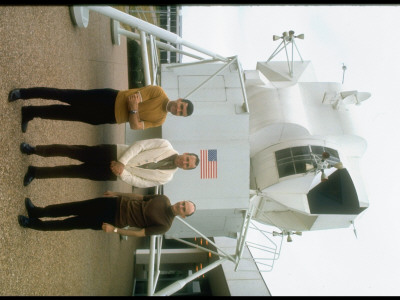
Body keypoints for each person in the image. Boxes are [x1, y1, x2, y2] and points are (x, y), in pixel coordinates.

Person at [21, 138, 199, 187]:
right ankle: (34, 149)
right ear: (185, 154)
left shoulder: (167, 178)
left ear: (185, 169)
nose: (184, 162)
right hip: (113, 153)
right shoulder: (165, 145)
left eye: (187, 165)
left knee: (71, 171)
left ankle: (35, 172)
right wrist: (121, 162)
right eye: (187, 159)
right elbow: (140, 146)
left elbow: (142, 182)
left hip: (113, 174)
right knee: (72, 151)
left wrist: (122, 173)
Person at [8, 86, 194, 133]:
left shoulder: (161, 120)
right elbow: (132, 100)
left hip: (108, 117)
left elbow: (135, 127)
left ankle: (30, 113)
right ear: (179, 99)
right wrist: (134, 113)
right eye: (181, 106)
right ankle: (23, 93)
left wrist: (134, 111)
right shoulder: (158, 92)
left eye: (180, 112)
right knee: (62, 95)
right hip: (108, 98)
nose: (178, 109)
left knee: (64, 114)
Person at [17, 191, 196, 236]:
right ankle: (36, 211)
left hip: (112, 220)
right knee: (73, 206)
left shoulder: (165, 226)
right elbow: (140, 196)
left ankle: (32, 224)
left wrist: (115, 230)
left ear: (183, 216)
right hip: (113, 203)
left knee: (71, 223)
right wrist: (117, 193)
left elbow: (139, 233)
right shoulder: (163, 198)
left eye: (183, 209)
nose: (180, 206)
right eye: (182, 203)